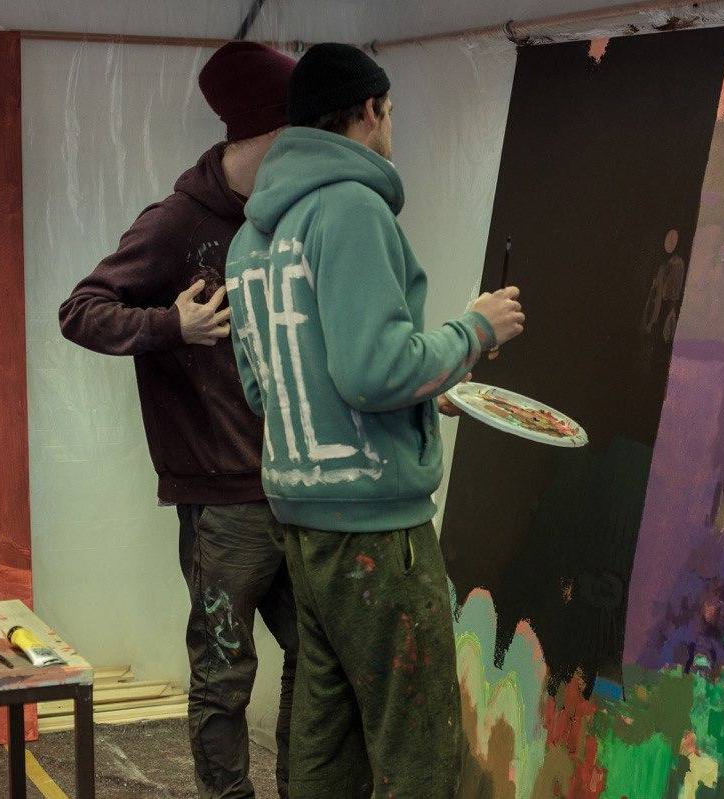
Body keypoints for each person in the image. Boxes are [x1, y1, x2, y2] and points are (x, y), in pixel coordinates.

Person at [224, 42, 525, 797]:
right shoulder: (351, 207)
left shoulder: (249, 239)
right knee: (416, 749)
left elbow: (268, 389)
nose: (392, 130)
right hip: (377, 534)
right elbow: (372, 371)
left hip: (304, 526)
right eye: (390, 114)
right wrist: (474, 330)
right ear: (369, 110)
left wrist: (426, 389)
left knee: (326, 749)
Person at [58, 41, 299, 799]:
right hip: (221, 505)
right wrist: (171, 325)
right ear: (267, 135)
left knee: (320, 658)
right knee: (224, 678)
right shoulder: (174, 223)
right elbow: (81, 309)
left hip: (296, 489)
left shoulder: (288, 220)